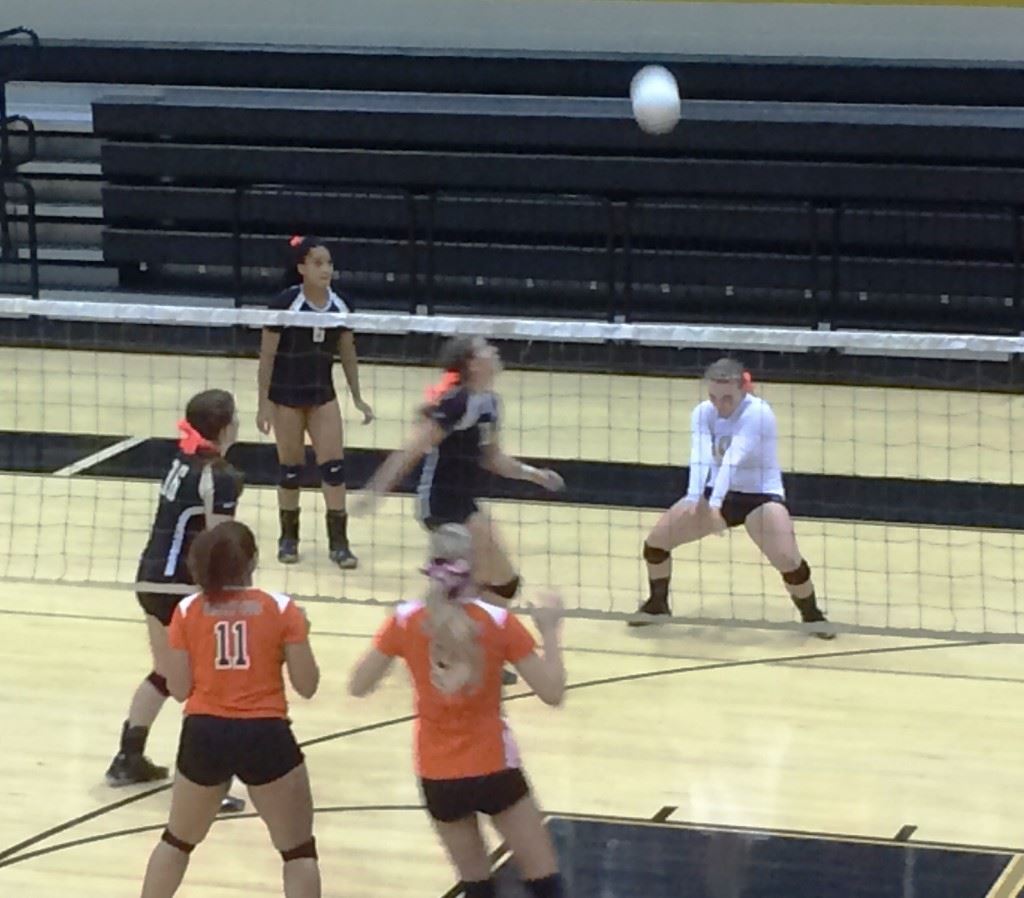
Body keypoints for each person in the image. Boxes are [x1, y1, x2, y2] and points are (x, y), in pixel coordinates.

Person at [349, 524, 568, 898]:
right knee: (546, 885)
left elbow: (358, 685)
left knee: (477, 888)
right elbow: (552, 692)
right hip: (494, 767)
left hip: (438, 775)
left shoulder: (404, 620)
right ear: (476, 570)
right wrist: (549, 631)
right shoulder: (498, 623)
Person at [139, 521, 321, 898]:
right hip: (264, 733)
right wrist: (300, 633)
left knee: (177, 841)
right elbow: (308, 686)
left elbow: (178, 689)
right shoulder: (282, 608)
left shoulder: (188, 610)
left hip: (205, 733)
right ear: (252, 560)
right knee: (298, 853)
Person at [106, 389, 249, 813]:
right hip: (180, 590)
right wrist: (234, 600)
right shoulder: (220, 476)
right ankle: (204, 782)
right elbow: (221, 546)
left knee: (167, 675)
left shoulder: (182, 458)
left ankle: (128, 757)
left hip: (150, 578)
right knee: (205, 685)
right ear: (224, 428)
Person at [633, 358, 834, 639]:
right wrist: (694, 498)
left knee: (788, 560)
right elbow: (700, 455)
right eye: (713, 397)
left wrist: (714, 506)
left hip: (760, 497)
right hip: (719, 491)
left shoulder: (758, 413)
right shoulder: (704, 412)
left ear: (744, 390)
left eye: (727, 398)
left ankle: (812, 616)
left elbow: (733, 459)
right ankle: (657, 605)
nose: (720, 405)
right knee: (656, 544)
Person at [359, 335, 563, 605]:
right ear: (472, 364)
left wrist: (535, 474)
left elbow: (493, 459)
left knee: (504, 586)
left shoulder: (490, 403)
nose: (494, 350)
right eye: (485, 348)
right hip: (440, 505)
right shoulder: (456, 402)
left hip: (465, 503)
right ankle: (421, 630)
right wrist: (376, 490)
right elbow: (412, 449)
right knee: (460, 590)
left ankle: (473, 636)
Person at [257, 235, 373, 569]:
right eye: (318, 263)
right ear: (302, 268)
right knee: (290, 472)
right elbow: (266, 358)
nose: (326, 269)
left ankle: (339, 544)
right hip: (286, 397)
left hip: (323, 395)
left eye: (329, 263)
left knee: (334, 470)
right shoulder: (284, 304)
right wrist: (264, 404)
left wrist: (358, 397)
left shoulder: (342, 304)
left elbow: (348, 354)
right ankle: (288, 539)